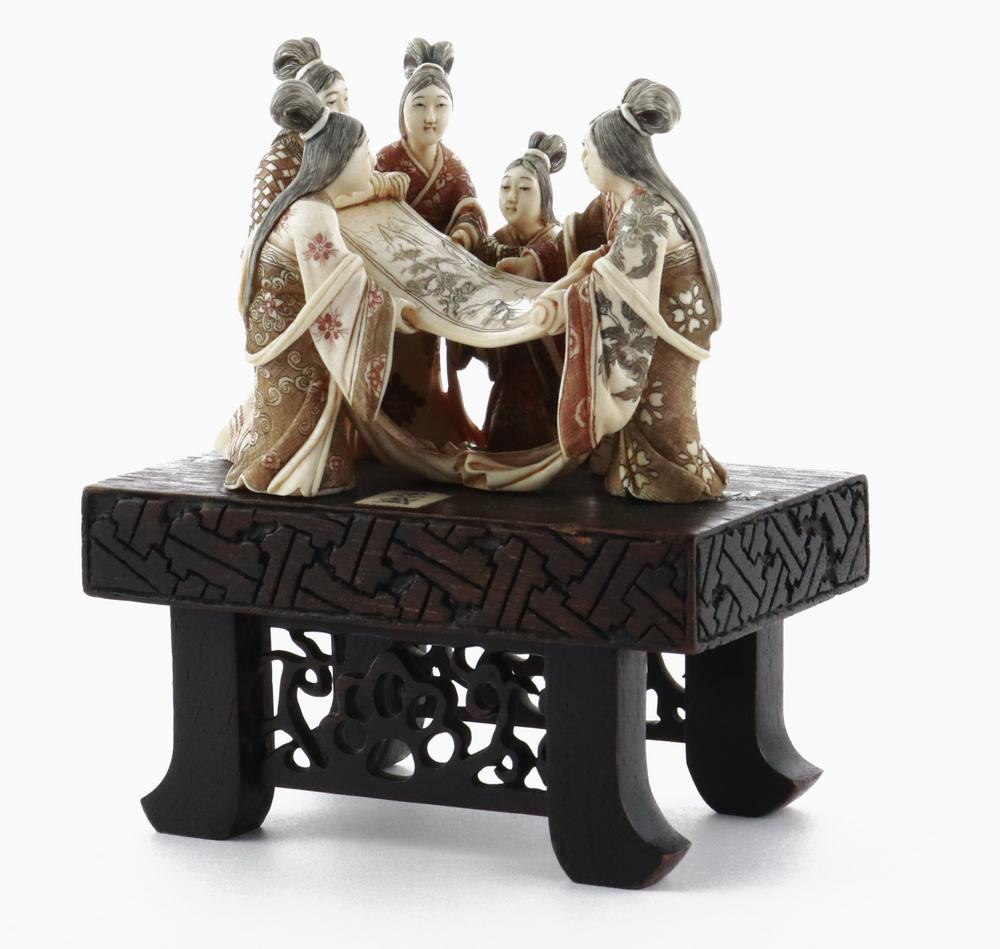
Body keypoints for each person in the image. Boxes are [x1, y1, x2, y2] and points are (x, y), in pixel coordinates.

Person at [358, 79, 727, 502]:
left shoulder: (644, 210)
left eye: (588, 150)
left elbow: (620, 280)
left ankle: (672, 475)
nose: (584, 159)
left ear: (612, 156)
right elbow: (580, 234)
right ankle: (630, 465)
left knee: (660, 404)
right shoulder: (613, 200)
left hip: (671, 314)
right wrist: (536, 264)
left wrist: (565, 298)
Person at [218, 80, 410, 496]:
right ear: (340, 158)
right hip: (290, 332)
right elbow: (338, 289)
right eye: (365, 152)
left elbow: (337, 279)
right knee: (307, 393)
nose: (373, 161)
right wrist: (392, 310)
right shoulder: (312, 213)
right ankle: (290, 470)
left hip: (276, 324)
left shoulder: (307, 204)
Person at [374, 38, 488, 449]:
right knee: (386, 358)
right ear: (402, 109)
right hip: (388, 281)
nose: (430, 117)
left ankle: (421, 433)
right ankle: (379, 435)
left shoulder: (454, 167)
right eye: (419, 105)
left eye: (441, 106)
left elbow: (471, 210)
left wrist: (460, 235)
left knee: (425, 362)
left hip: (432, 286)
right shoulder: (384, 160)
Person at [472, 132, 568, 450]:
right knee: (505, 430)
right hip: (510, 355)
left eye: (525, 188)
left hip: (548, 359)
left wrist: (536, 266)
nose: (511, 197)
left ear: (544, 196)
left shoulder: (559, 242)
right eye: (505, 187)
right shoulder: (495, 242)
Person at [249, 38, 351, 229]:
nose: (344, 111)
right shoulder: (277, 163)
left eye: (346, 98)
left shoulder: (345, 151)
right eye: (331, 101)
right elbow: (261, 235)